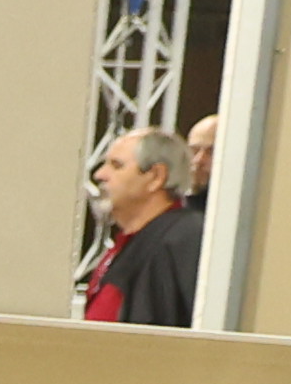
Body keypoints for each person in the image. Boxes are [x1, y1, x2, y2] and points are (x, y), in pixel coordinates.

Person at [84, 128, 202, 328]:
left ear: (156, 176)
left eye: (116, 165)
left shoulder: (184, 237)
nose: (100, 174)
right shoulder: (130, 241)